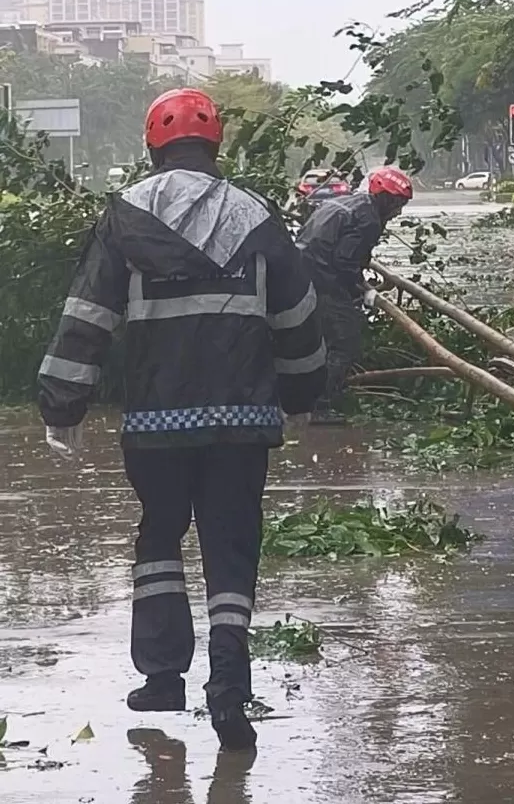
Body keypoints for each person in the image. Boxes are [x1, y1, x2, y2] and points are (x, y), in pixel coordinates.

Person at [38, 88, 326, 751]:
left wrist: (62, 406)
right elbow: (297, 317)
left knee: (160, 536)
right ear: (215, 145)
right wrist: (305, 394)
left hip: (155, 426)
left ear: (152, 144)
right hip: (241, 424)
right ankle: (229, 683)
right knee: (231, 544)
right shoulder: (256, 216)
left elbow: (87, 319)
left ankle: (163, 677)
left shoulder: (127, 217)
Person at [297, 167, 413, 409]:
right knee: (344, 340)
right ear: (383, 198)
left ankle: (305, 395)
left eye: (401, 204)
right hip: (323, 278)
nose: (397, 211)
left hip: (300, 273)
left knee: (318, 340)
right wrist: (362, 290)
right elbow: (345, 263)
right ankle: (321, 404)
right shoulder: (368, 218)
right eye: (395, 203)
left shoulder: (346, 202)